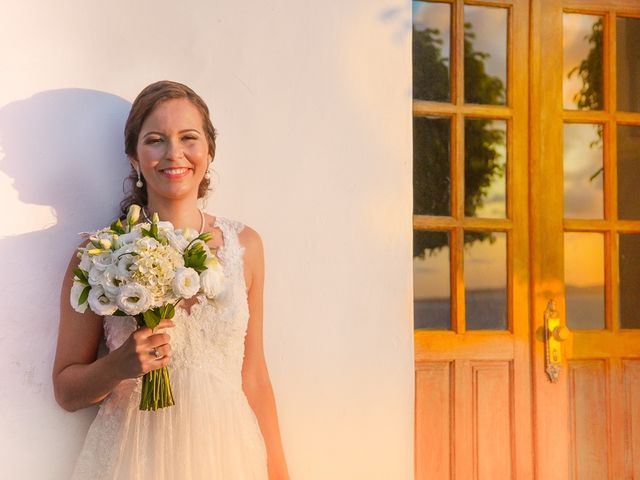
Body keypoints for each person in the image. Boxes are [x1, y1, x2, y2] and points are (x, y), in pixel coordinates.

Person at [52, 80, 290, 479]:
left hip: (226, 456)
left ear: (209, 150)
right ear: (134, 157)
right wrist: (118, 365)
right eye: (156, 140)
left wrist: (280, 473)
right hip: (133, 459)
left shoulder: (245, 245)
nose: (173, 154)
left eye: (188, 138)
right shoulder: (98, 254)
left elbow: (254, 375)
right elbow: (66, 390)